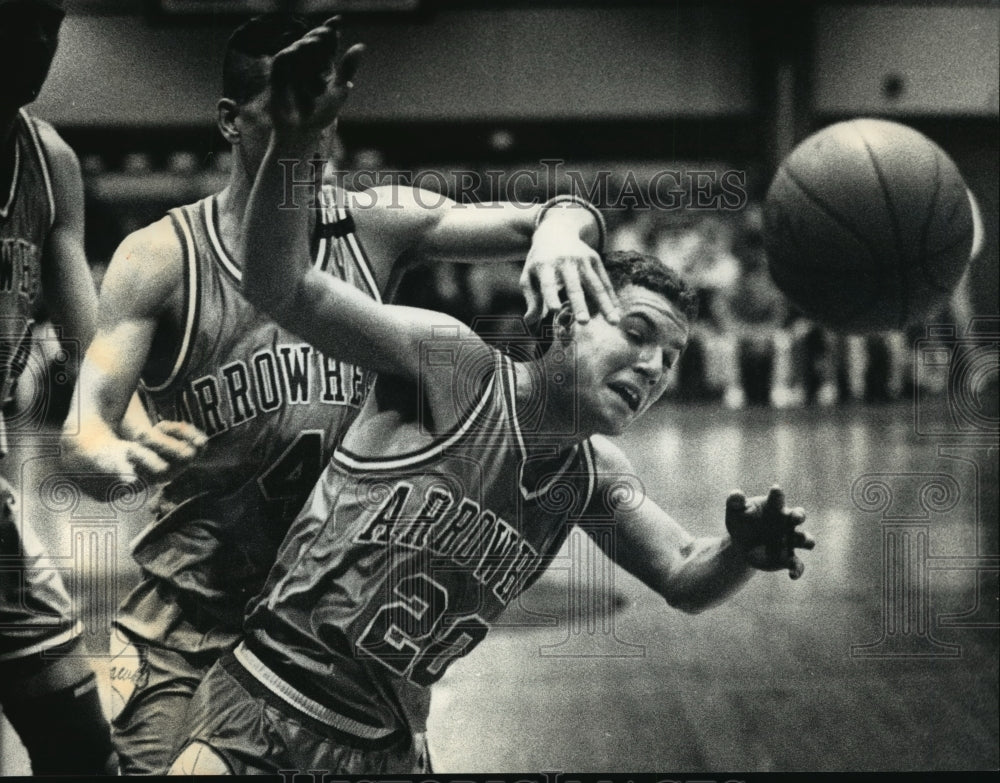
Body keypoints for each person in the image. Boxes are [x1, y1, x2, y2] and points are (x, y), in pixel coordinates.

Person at [166, 24, 816, 775]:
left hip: (386, 745)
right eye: (636, 332)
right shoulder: (456, 367)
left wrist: (740, 551)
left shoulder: (591, 472)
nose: (654, 366)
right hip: (268, 699)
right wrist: (294, 142)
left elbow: (681, 571)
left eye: (670, 357)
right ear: (567, 308)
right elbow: (283, 286)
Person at [61, 14, 619, 775]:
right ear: (231, 121)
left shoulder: (371, 221)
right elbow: (83, 429)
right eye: (287, 106)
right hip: (186, 631)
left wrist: (559, 227)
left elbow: (550, 213)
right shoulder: (160, 256)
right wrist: (113, 458)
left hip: (322, 644)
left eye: (322, 109)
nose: (313, 132)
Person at [0, 0, 117, 774]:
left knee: (80, 748)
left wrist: (114, 425)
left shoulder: (50, 164)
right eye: (25, 19)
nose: (45, 40)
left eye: (56, 20)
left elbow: (94, 345)